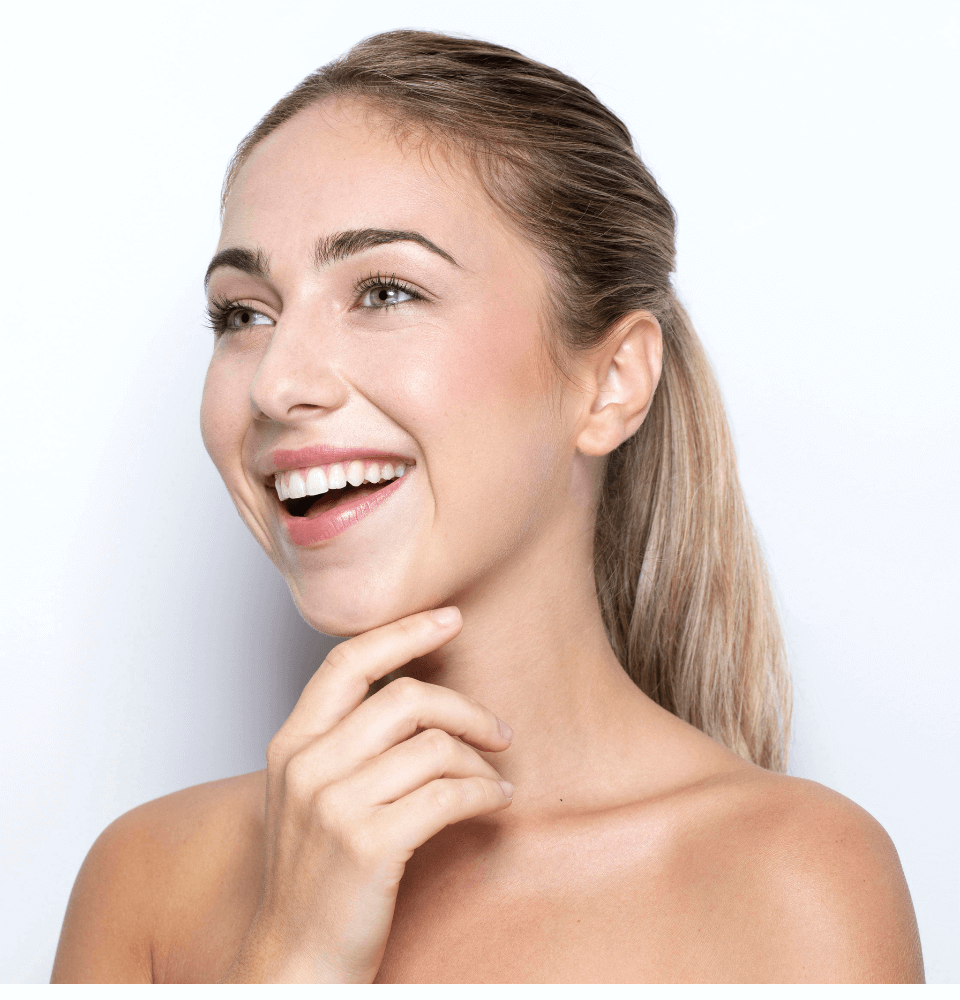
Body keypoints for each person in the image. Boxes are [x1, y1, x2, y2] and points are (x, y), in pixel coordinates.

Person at [50, 30, 924, 983]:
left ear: (611, 383)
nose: (276, 384)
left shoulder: (790, 881)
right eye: (244, 314)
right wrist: (294, 959)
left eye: (385, 291)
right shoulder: (147, 878)